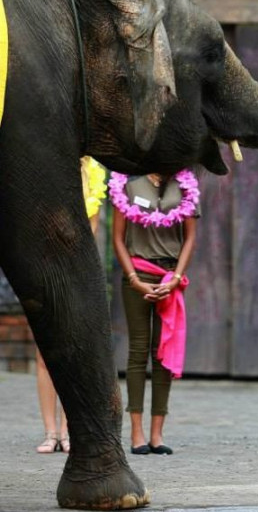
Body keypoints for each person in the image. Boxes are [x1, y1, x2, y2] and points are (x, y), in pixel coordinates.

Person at [110, 168, 200, 455]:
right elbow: (118, 239)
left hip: (169, 276)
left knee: (163, 354)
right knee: (138, 352)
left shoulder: (185, 185)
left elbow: (189, 239)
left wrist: (175, 278)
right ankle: (136, 433)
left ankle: (157, 435)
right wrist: (134, 280)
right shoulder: (127, 183)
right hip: (137, 273)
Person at [35, 156, 106, 454]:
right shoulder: (44, 170)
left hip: (75, 270)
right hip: (45, 268)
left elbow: (91, 229)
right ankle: (50, 431)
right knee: (43, 354)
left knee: (73, 352)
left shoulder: (93, 173)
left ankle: (67, 430)